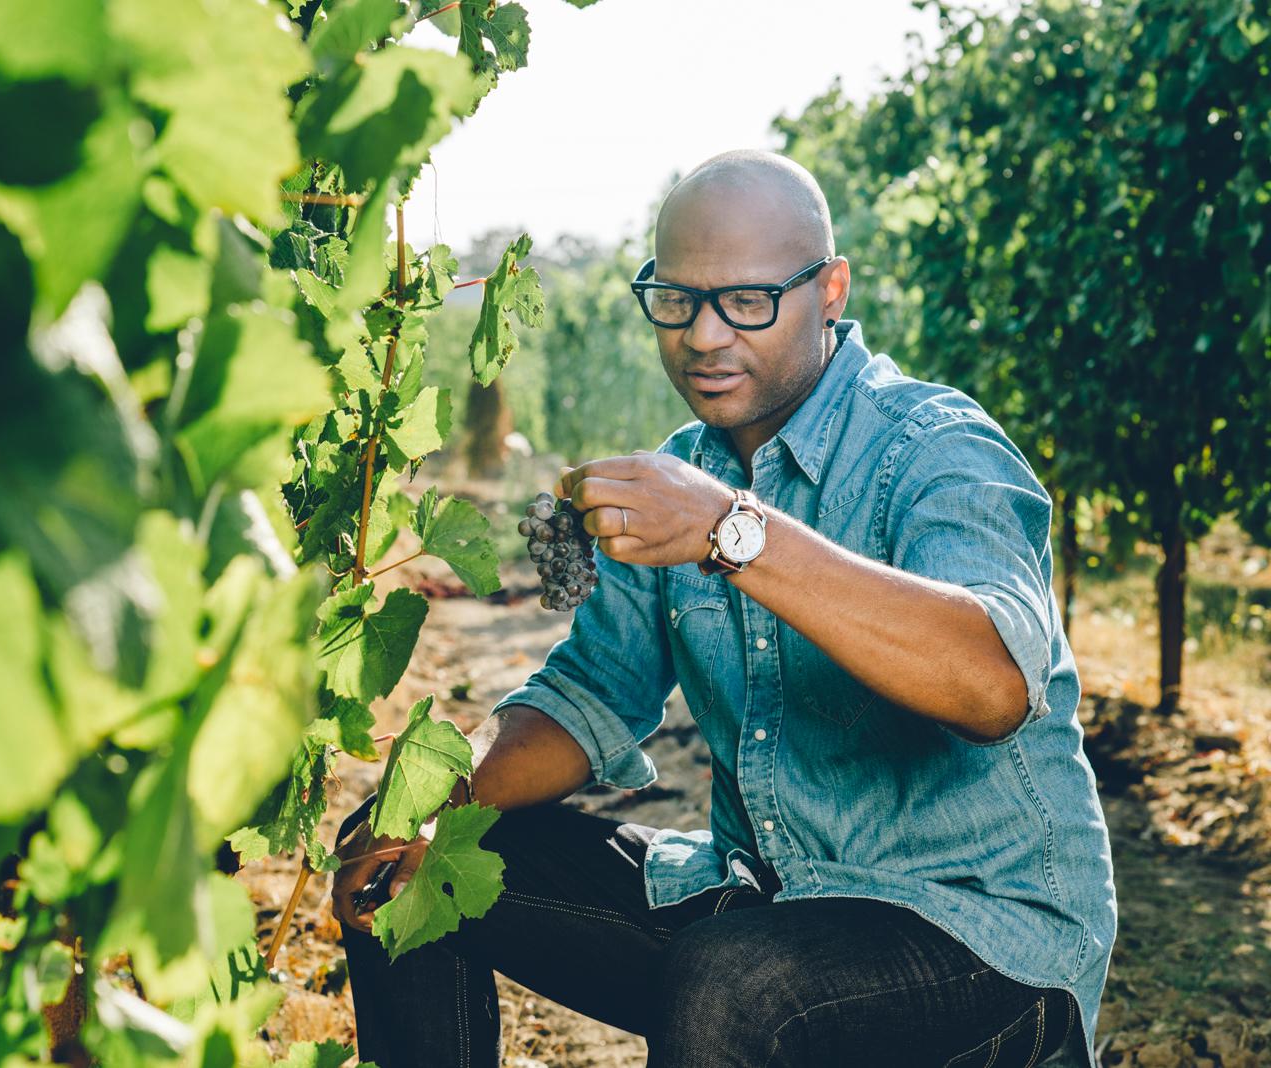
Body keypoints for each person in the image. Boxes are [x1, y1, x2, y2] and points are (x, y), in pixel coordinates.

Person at [331, 149, 1117, 1068]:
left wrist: (730, 532)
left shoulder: (936, 450)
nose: (704, 336)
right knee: (405, 858)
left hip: (986, 943)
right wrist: (428, 805)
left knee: (735, 985)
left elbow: (993, 684)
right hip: (771, 900)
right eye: (677, 299)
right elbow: (588, 696)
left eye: (746, 301)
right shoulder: (686, 474)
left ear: (830, 290)